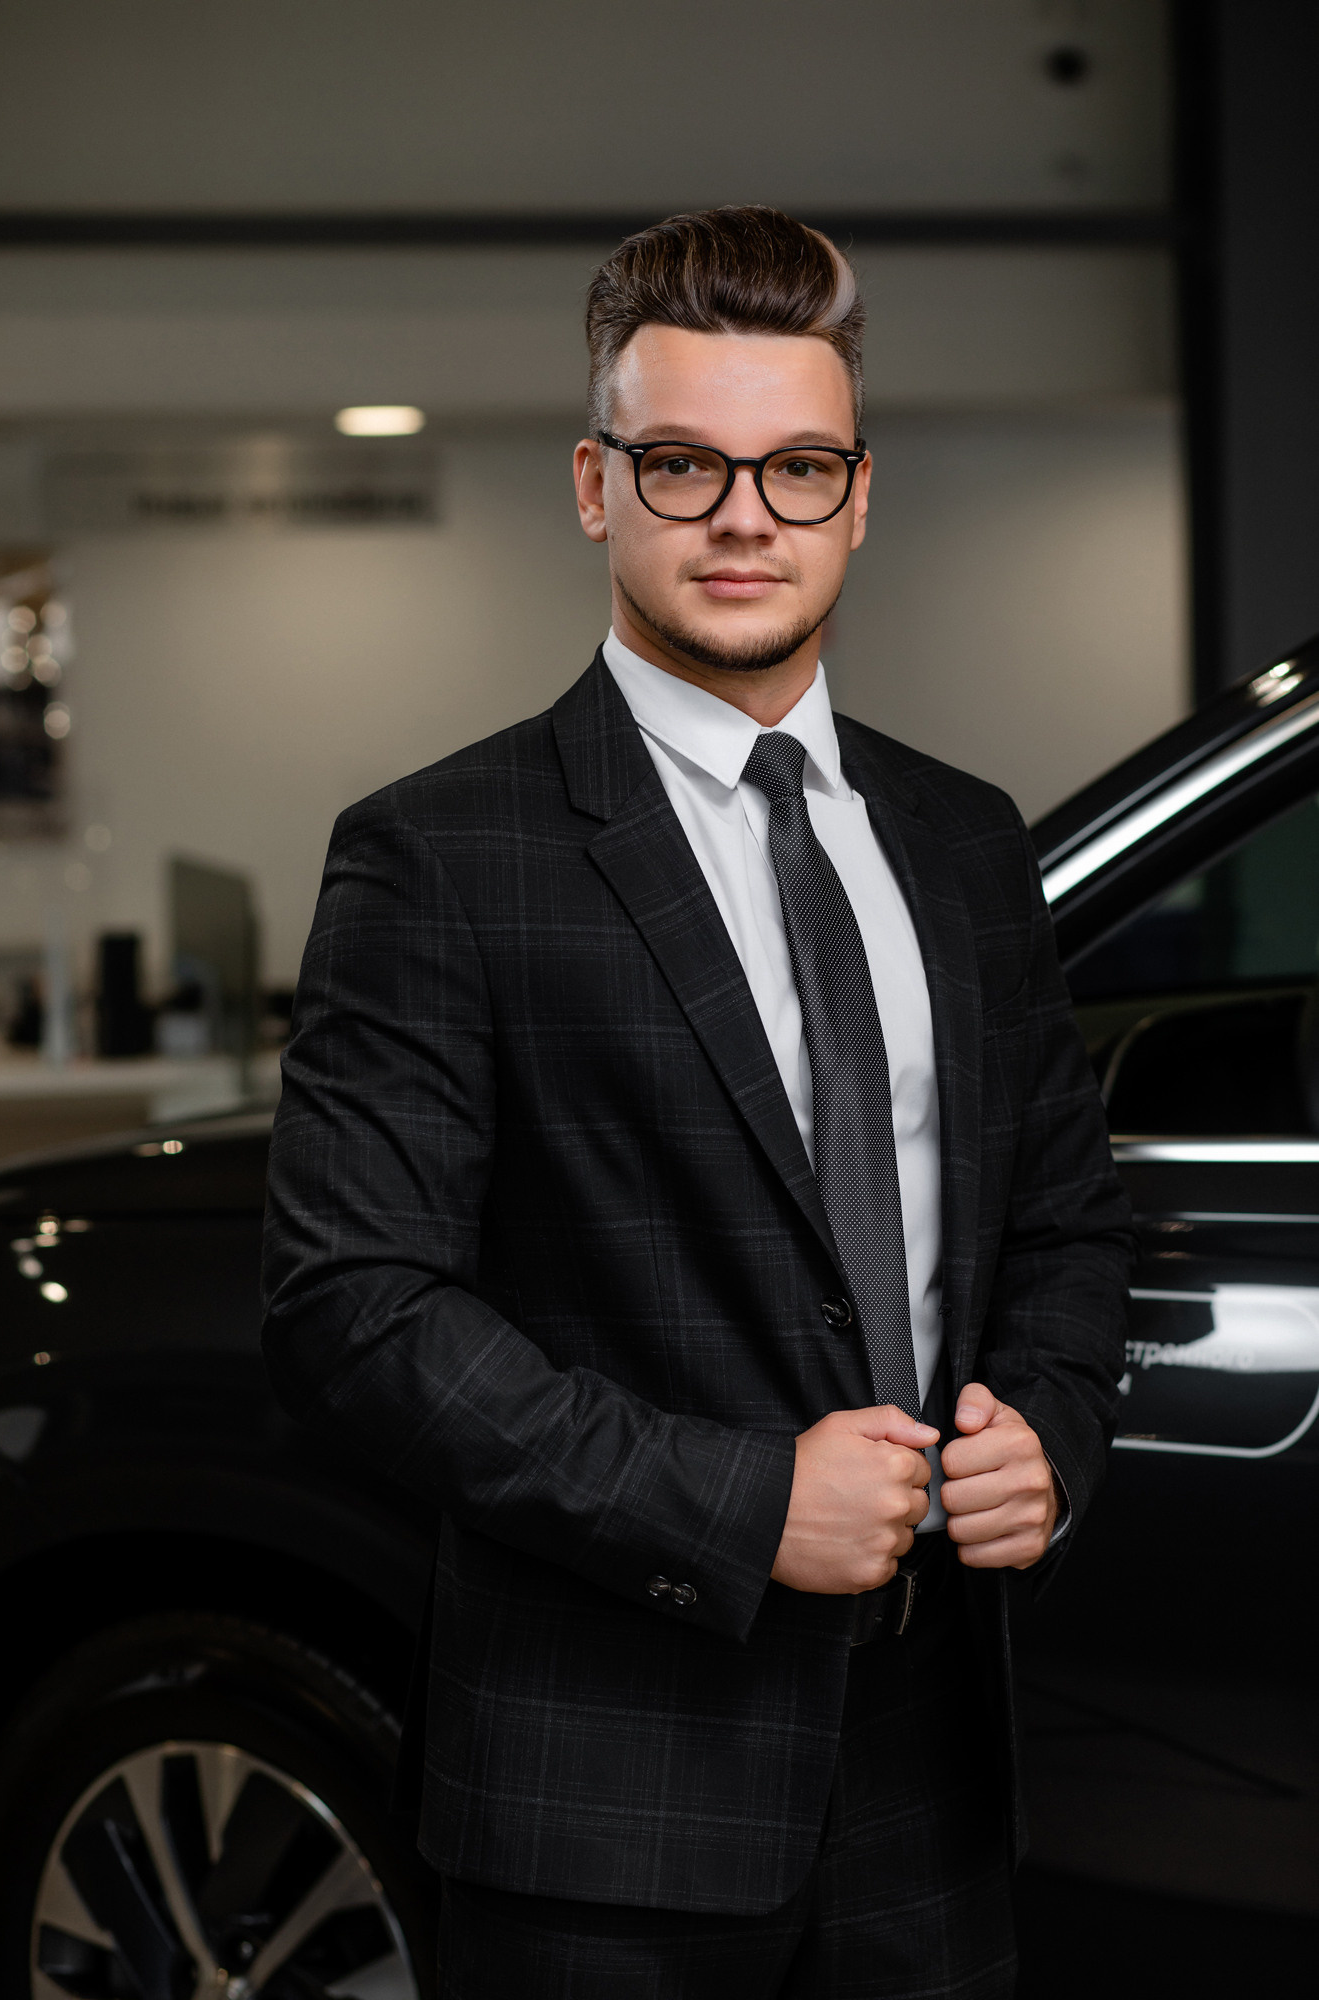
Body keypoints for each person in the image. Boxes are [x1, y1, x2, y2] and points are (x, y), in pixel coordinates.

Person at [262, 205, 1133, 1998]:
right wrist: (740, 1508)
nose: (746, 516)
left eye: (797, 467)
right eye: (685, 464)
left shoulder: (966, 842)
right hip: (606, 1802)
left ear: (857, 498)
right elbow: (356, 1311)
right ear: (598, 486)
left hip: (934, 1777)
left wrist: (1048, 1433)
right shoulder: (443, 853)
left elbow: (1060, 1221)